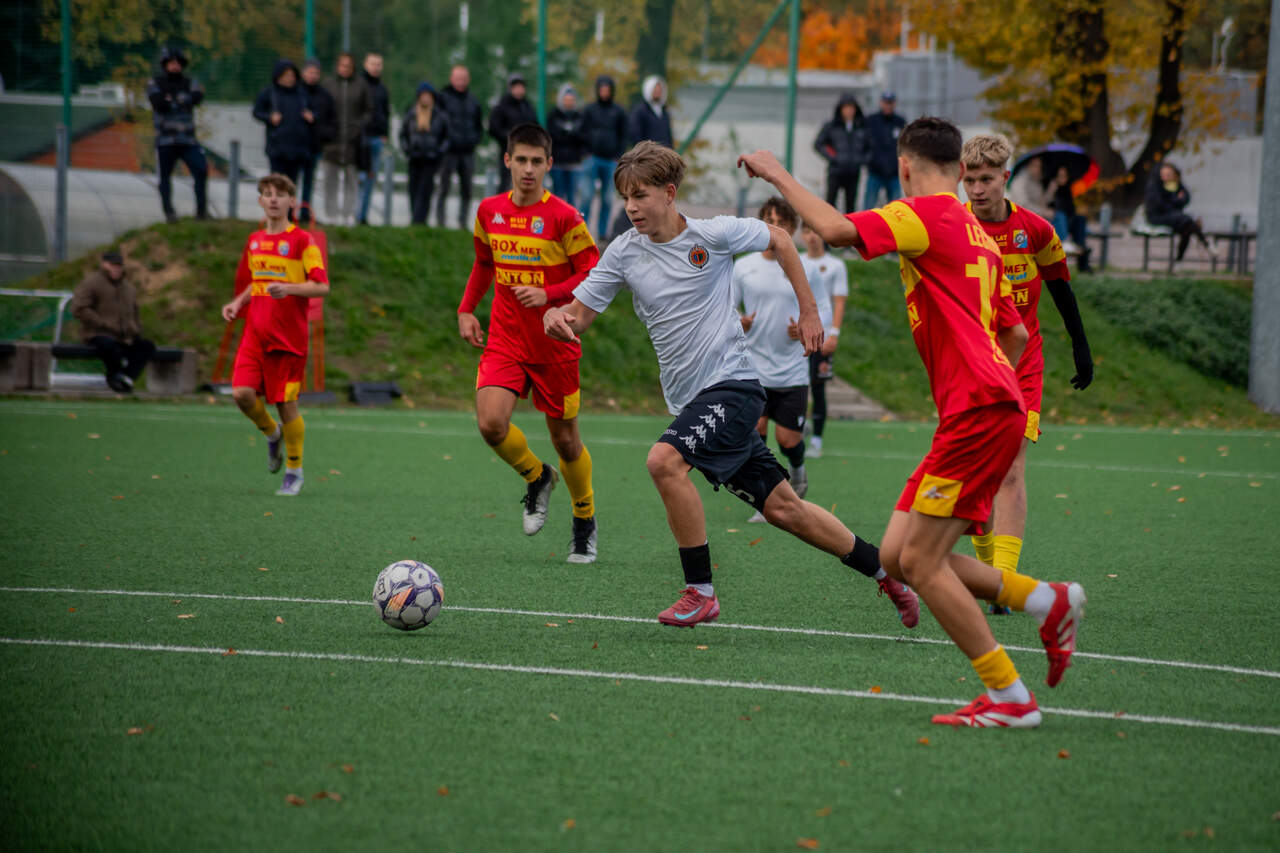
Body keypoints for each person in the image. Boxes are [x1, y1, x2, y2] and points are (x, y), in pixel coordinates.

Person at [739, 117, 1086, 728]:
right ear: (961, 169)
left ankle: (1010, 696)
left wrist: (776, 173)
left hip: (978, 410)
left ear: (904, 167)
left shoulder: (924, 213)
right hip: (981, 407)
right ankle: (1045, 599)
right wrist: (981, 375)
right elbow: (1014, 332)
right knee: (900, 557)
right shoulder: (979, 234)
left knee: (922, 564)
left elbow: (836, 229)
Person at [543, 141, 919, 629]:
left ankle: (700, 591)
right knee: (786, 510)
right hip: (691, 402)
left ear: (669, 193)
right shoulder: (623, 252)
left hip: (733, 386)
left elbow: (780, 239)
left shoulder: (713, 234)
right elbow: (578, 315)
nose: (631, 207)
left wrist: (810, 311)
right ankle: (887, 574)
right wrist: (557, 317)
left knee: (663, 462)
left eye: (641, 195)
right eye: (626, 197)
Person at [961, 133, 1093, 614]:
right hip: (972, 363)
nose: (977, 189)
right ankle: (988, 573)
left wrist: (1080, 345)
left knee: (1012, 467)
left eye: (986, 179)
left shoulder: (1035, 230)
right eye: (970, 181)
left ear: (1005, 177)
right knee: (976, 471)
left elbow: (1061, 289)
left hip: (1024, 364)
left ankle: (1005, 583)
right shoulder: (954, 229)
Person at [457, 124, 601, 563]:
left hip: (555, 344)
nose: (528, 169)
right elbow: (484, 263)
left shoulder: (565, 217)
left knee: (566, 441)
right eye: (520, 159)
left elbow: (593, 271)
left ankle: (584, 519)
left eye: (537, 161)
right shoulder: (489, 211)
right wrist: (466, 309)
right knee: (491, 424)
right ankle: (537, 477)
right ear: (507, 161)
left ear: (549, 165)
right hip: (505, 339)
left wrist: (550, 294)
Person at [221, 174, 329, 496]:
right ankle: (272, 434)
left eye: (280, 195)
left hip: (288, 339)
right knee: (241, 394)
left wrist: (290, 289)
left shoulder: (303, 241)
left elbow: (322, 286)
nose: (273, 199)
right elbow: (258, 283)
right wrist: (238, 302)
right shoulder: (254, 240)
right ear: (260, 200)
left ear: (292, 202)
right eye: (267, 194)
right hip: (255, 334)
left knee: (286, 404)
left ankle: (294, 471)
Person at [731, 197, 813, 523]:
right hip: (754, 367)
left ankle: (798, 471)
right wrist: (739, 322)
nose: (774, 228)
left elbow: (817, 309)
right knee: (757, 431)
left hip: (792, 369)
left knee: (787, 440)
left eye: (781, 222)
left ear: (792, 228)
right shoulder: (743, 266)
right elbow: (728, 306)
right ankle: (765, 499)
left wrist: (803, 327)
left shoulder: (803, 266)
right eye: (769, 221)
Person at [71, 249, 156, 393]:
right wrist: (101, 323)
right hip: (97, 334)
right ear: (104, 264)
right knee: (109, 346)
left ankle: (125, 378)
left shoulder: (128, 288)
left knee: (147, 346)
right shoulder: (91, 283)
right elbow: (79, 308)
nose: (116, 268)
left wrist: (135, 329)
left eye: (119, 265)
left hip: (124, 336)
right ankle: (115, 377)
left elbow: (135, 311)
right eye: (113, 265)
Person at [798, 222, 847, 458]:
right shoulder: (796, 260)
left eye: (816, 231)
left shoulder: (836, 265)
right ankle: (799, 426)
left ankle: (817, 439)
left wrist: (834, 333)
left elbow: (839, 301)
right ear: (801, 235)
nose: (812, 237)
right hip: (798, 336)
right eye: (807, 232)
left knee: (818, 387)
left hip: (823, 336)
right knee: (796, 385)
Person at [146, 46, 208, 223]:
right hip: (165, 140)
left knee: (201, 170)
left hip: (188, 140)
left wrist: (172, 100)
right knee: (165, 177)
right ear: (165, 64)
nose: (175, 66)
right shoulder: (155, 82)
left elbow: (197, 97)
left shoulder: (189, 81)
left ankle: (201, 212)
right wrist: (182, 100)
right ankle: (169, 213)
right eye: (171, 63)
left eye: (178, 63)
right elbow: (158, 103)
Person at [322, 53, 371, 225]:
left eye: (348, 66)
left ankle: (348, 214)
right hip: (331, 142)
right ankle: (331, 214)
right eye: (342, 65)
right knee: (330, 180)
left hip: (352, 143)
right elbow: (321, 109)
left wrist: (358, 128)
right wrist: (326, 130)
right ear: (337, 66)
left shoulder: (361, 85)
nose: (345, 69)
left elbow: (369, 111)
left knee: (351, 180)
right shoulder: (328, 84)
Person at [579, 75, 628, 241]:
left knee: (607, 199)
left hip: (610, 161)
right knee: (586, 197)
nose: (605, 92)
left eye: (607, 89)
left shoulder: (619, 111)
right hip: (591, 159)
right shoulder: (589, 110)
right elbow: (581, 132)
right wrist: (585, 153)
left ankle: (602, 233)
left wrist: (619, 156)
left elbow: (624, 135)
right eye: (602, 89)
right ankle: (581, 231)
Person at [436, 65, 485, 229]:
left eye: (463, 78)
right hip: (449, 152)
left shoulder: (473, 100)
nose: (461, 82)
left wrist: (474, 140)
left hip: (468, 152)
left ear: (468, 79)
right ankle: (441, 222)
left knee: (467, 189)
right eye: (458, 78)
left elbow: (479, 125)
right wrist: (446, 142)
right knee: (444, 187)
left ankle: (462, 223)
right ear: (451, 79)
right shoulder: (442, 98)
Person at [252, 59, 311, 186]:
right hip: (277, 147)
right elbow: (257, 112)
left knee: (291, 184)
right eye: (286, 75)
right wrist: (269, 117)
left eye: (292, 76)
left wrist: (311, 116)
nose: (290, 79)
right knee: (277, 183)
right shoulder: (269, 92)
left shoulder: (301, 94)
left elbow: (315, 111)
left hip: (297, 148)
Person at [399, 82, 450, 226]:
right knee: (413, 188)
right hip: (414, 157)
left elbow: (446, 137)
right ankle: (415, 218)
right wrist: (407, 149)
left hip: (431, 159)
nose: (426, 99)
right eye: (423, 96)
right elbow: (403, 135)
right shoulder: (411, 114)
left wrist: (439, 152)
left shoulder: (440, 115)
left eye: (428, 96)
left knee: (425, 189)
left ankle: (420, 220)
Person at [1145, 162, 1216, 262]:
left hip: (1175, 217)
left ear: (1174, 175)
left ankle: (1179, 260)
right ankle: (1206, 244)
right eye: (1164, 174)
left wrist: (1174, 202)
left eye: (1169, 174)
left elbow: (1185, 198)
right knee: (1188, 221)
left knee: (1188, 228)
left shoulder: (1176, 185)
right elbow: (1160, 205)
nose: (1166, 177)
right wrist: (1176, 201)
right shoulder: (1155, 186)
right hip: (1158, 217)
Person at [813, 93, 869, 214]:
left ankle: (848, 227)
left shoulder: (862, 127)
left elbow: (870, 147)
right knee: (830, 203)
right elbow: (818, 144)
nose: (849, 111)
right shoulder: (831, 126)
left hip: (853, 173)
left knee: (851, 206)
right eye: (846, 107)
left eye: (852, 107)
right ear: (840, 109)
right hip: (835, 171)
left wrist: (861, 160)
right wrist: (833, 157)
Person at [298, 58, 336, 225]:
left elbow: (330, 119)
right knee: (291, 181)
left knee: (309, 180)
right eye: (310, 72)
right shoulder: (295, 92)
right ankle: (289, 213)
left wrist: (322, 131)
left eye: (316, 73)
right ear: (303, 73)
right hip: (294, 145)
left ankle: (305, 212)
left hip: (314, 145)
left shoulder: (324, 96)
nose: (312, 76)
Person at [488, 73, 539, 194]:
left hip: (527, 152)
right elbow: (493, 128)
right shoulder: (502, 106)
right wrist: (512, 138)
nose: (519, 90)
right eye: (516, 87)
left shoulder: (528, 106)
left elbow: (535, 127)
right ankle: (502, 206)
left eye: (521, 87)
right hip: (508, 151)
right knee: (506, 183)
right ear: (510, 88)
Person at [357, 52, 390, 226]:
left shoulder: (383, 89)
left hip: (376, 139)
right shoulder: (358, 85)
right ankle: (353, 215)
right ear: (365, 64)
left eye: (378, 64)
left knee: (370, 179)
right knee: (359, 178)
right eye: (372, 63)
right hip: (359, 139)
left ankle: (362, 216)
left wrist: (385, 134)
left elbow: (386, 112)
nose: (375, 67)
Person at [547, 84, 587, 212]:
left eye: (571, 100)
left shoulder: (579, 117)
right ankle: (556, 219)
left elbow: (583, 138)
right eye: (566, 99)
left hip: (574, 163)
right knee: (558, 195)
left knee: (572, 197)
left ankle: (570, 221)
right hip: (558, 162)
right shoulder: (553, 115)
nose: (568, 102)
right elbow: (551, 137)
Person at [862, 92, 906, 210]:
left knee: (895, 208)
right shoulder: (871, 120)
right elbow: (863, 143)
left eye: (890, 103)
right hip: (875, 171)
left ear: (894, 104)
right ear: (881, 103)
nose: (888, 106)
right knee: (868, 207)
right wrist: (868, 160)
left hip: (894, 173)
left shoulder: (900, 122)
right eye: (886, 103)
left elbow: (904, 145)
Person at [1046, 165, 1093, 271]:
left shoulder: (1067, 190)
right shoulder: (1050, 186)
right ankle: (1068, 244)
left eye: (1065, 176)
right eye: (1060, 176)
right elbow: (1046, 205)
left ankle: (1082, 256)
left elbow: (1071, 210)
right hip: (1055, 222)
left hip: (1068, 221)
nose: (1062, 179)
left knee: (1080, 220)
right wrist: (1051, 191)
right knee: (1061, 216)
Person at [628, 76, 673, 147]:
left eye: (659, 90)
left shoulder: (664, 111)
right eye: (655, 90)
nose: (657, 92)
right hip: (648, 152)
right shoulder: (640, 111)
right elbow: (635, 134)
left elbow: (668, 135)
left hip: (664, 151)